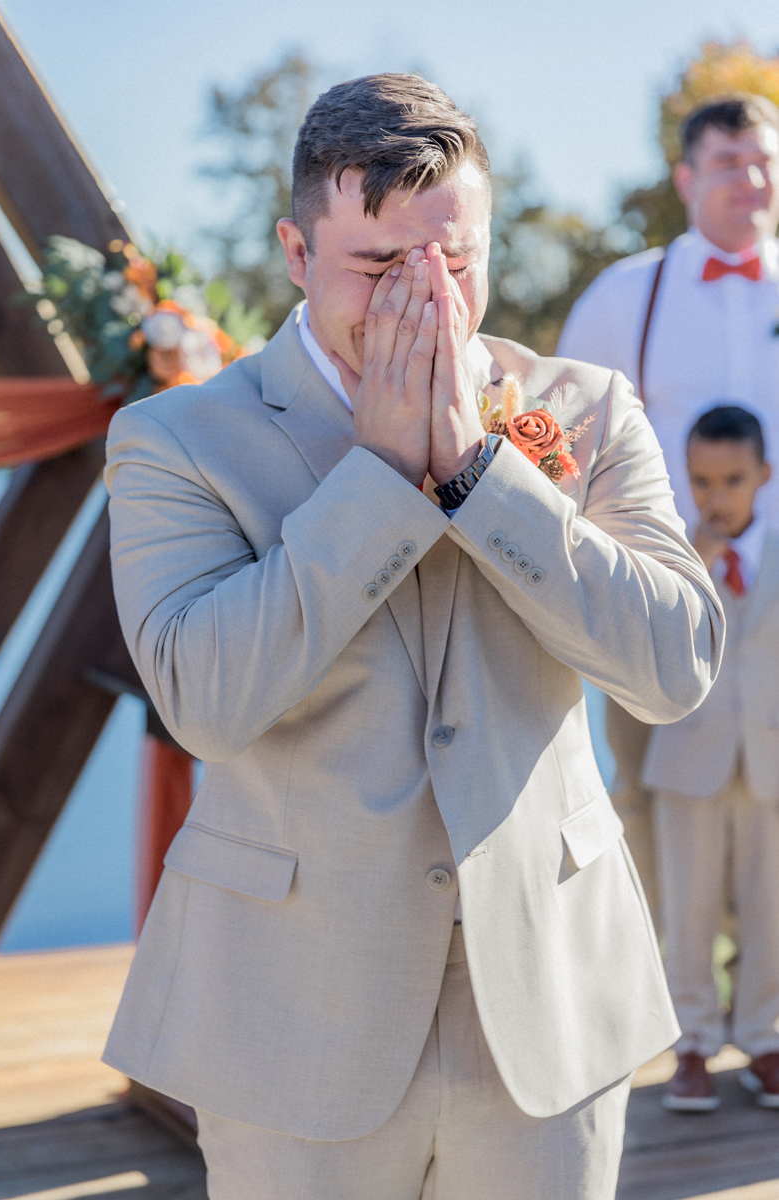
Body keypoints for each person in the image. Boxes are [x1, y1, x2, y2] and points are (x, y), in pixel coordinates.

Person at [103, 74, 722, 1199]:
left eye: (458, 259)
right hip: (291, 1021)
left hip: (547, 1010)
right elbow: (205, 701)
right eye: (381, 266)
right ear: (296, 251)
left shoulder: (588, 408)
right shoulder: (174, 440)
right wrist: (382, 476)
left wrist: (486, 480)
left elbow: (676, 668)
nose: (428, 297)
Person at [557, 95, 779, 921]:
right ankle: (671, 1016)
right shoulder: (626, 296)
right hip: (660, 590)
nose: (751, 180)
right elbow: (564, 441)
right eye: (728, 163)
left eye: (763, 161)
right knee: (646, 789)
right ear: (686, 179)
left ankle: (763, 1025)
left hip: (778, 598)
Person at [643, 405, 779, 1112]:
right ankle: (692, 1043)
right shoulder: (668, 559)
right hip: (689, 757)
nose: (716, 496)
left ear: (763, 475)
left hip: (770, 763)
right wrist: (688, 562)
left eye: (732, 479)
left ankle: (762, 1037)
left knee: (771, 912)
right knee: (686, 910)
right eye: (700, 481)